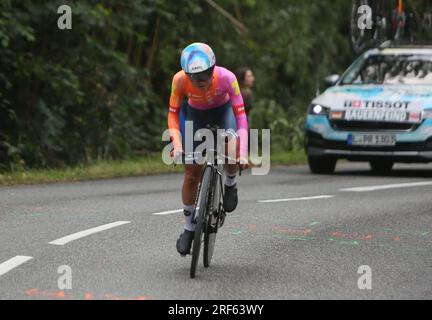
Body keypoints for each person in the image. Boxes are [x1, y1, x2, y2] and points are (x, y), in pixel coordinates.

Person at [168, 43, 249, 256]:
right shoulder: (179, 80)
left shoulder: (228, 78)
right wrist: (177, 144)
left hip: (223, 113)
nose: (198, 82)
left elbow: (240, 116)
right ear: (186, 74)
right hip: (196, 116)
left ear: (213, 69)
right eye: (193, 77)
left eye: (203, 76)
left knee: (230, 148)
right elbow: (173, 115)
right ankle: (188, 228)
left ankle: (230, 183)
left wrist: (243, 153)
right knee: (191, 173)